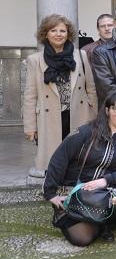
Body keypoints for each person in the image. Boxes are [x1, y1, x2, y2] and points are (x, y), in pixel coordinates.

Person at [43, 90, 116, 246]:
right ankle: (92, 220)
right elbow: (59, 158)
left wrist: (105, 181)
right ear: (107, 110)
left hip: (105, 193)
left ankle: (104, 222)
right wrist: (50, 193)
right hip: (76, 192)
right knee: (83, 239)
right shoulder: (86, 132)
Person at [24, 14, 98, 178]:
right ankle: (54, 190)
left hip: (79, 114)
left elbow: (90, 88)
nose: (58, 34)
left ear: (68, 34)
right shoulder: (35, 60)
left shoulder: (80, 56)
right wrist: (30, 126)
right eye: (53, 30)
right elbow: (30, 95)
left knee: (78, 155)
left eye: (62, 31)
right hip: (50, 117)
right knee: (54, 158)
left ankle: (73, 187)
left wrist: (94, 117)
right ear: (46, 34)